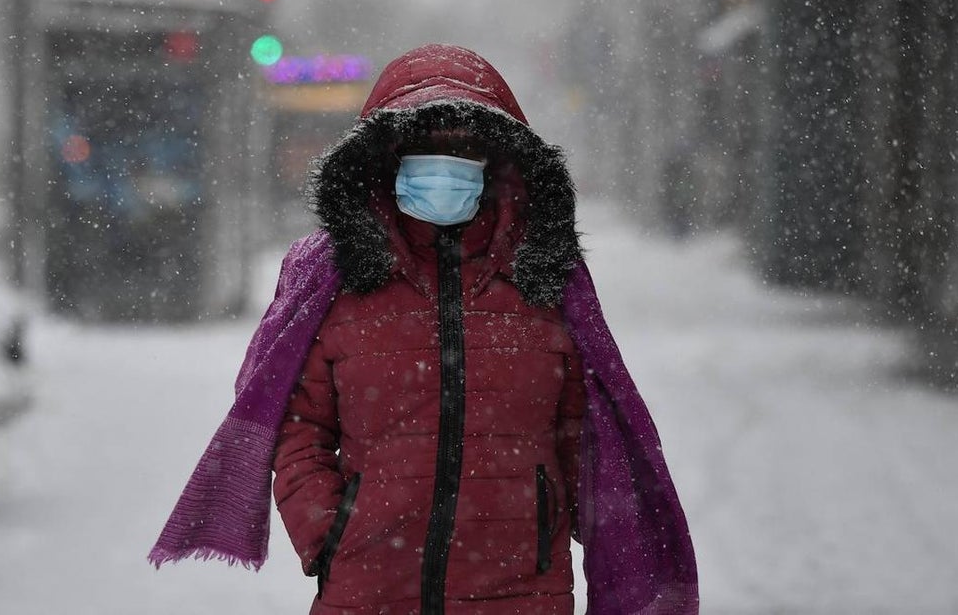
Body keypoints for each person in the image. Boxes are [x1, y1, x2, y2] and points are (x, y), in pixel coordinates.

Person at [149, 44, 698, 615]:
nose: (443, 164)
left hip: (519, 595)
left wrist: (582, 531)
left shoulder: (544, 281)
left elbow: (587, 434)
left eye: (462, 148)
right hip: (368, 594)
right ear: (386, 157)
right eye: (424, 147)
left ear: (497, 159)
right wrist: (329, 534)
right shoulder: (336, 283)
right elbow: (296, 424)